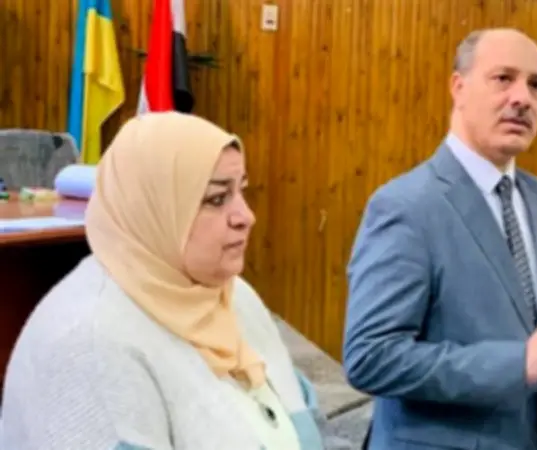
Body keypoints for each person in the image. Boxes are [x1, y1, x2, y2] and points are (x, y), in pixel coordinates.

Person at [343, 28, 537, 450]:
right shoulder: (406, 205)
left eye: (536, 85)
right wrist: (517, 364)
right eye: (503, 78)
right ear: (459, 87)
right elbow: (371, 357)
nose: (523, 98)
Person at [0, 112, 325, 450]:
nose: (246, 216)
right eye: (216, 199)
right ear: (153, 209)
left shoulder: (229, 293)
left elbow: (306, 427)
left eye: (241, 191)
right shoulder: (87, 344)